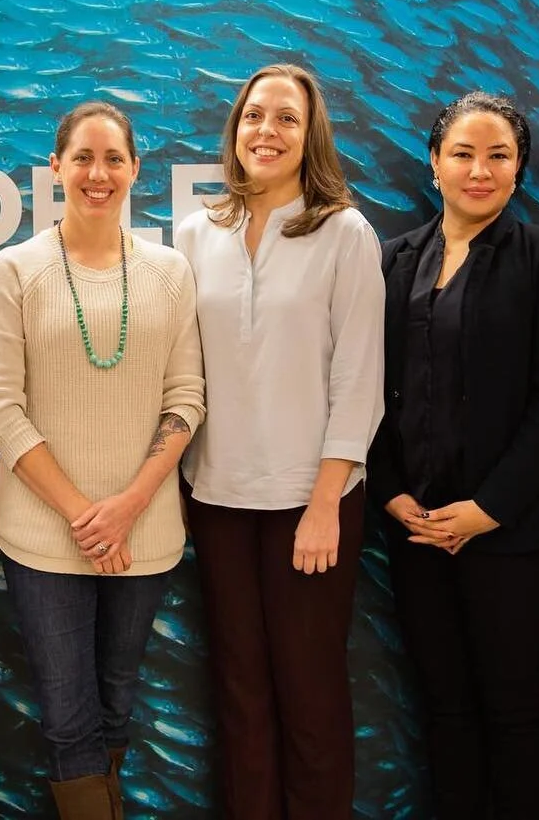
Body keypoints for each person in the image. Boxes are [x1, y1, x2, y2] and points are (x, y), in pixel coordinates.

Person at [0, 101, 204, 820]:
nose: (98, 173)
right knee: (68, 719)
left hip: (145, 535)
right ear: (55, 168)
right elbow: (1, 409)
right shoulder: (12, 270)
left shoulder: (171, 270)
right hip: (46, 540)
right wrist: (83, 513)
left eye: (113, 159)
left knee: (116, 707)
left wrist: (127, 505)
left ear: (137, 169)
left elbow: (188, 396)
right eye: (83, 158)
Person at [368, 91, 539, 819]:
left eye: (498, 154)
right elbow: (368, 388)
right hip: (417, 529)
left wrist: (489, 508)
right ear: (435, 163)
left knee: (514, 708)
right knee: (446, 708)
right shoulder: (394, 259)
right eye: (463, 152)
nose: (480, 169)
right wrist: (393, 493)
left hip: (512, 537)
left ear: (520, 168)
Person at [176, 63, 383, 820]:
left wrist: (326, 500)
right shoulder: (198, 232)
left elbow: (359, 379)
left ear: (309, 135)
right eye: (254, 115)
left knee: (310, 690)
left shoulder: (344, 231)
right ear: (235, 129)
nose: (267, 130)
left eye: (286, 118)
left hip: (312, 501)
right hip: (219, 498)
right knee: (239, 692)